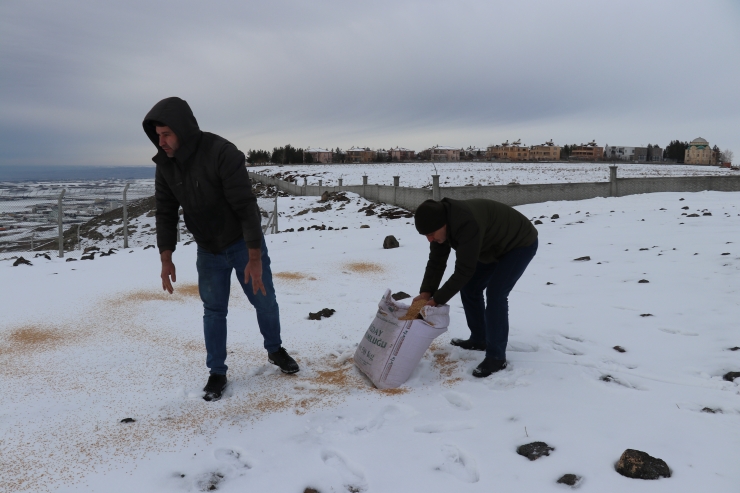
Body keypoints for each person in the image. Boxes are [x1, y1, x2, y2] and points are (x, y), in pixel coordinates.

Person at [143, 97, 299, 402]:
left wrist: (254, 258)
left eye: (166, 135)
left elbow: (245, 207)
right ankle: (217, 372)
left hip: (242, 243)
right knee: (214, 311)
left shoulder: (222, 153)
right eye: (157, 136)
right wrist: (166, 257)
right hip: (208, 249)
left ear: (183, 131)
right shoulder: (166, 166)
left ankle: (275, 350)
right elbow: (165, 211)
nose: (160, 142)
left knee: (264, 300)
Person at [413, 198, 538, 377]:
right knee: (471, 287)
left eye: (431, 233)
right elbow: (436, 262)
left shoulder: (466, 223)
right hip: (490, 245)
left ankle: (496, 357)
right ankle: (479, 339)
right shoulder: (441, 223)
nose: (429, 239)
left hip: (518, 244)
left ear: (444, 224)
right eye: (426, 235)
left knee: (496, 293)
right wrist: (426, 293)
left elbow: (464, 270)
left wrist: (437, 300)